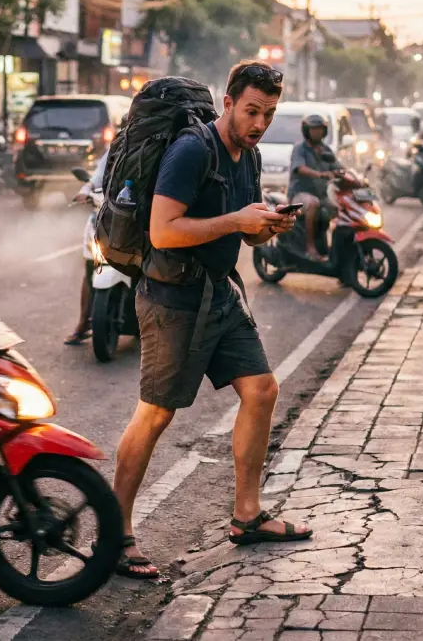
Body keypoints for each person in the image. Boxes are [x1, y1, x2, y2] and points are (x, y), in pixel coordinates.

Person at [112, 60, 308, 579]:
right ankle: (117, 534)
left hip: (218, 294)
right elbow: (163, 231)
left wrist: (262, 230)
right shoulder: (192, 150)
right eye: (251, 111)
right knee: (156, 414)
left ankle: (247, 516)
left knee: (262, 390)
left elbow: (240, 229)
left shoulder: (251, 155)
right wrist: (236, 221)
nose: (259, 123)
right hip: (173, 298)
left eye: (268, 113)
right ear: (227, 102)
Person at [66, 147, 110, 345]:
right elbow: (96, 178)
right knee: (92, 267)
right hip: (105, 219)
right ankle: (83, 323)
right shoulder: (117, 148)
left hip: (136, 220)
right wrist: (85, 190)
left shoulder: (155, 148)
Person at [288, 114, 341, 261]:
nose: (317, 132)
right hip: (299, 194)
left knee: (338, 208)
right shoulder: (300, 149)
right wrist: (320, 174)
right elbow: (299, 168)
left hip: (321, 195)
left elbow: (338, 167)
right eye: (313, 129)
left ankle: (333, 247)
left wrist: (345, 174)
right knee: (313, 203)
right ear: (307, 131)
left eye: (319, 129)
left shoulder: (326, 150)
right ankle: (310, 247)